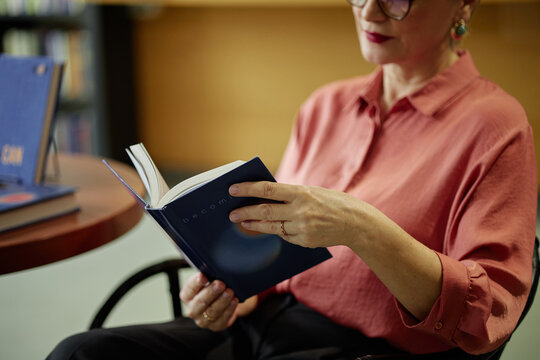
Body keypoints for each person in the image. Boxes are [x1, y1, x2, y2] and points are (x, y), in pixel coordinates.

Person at [47, 0, 537, 359]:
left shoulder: (495, 126)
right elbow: (282, 255)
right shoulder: (326, 106)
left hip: (367, 350)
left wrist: (361, 226)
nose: (369, 12)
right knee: (80, 354)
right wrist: (234, 293)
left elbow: (486, 314)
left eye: (398, 0)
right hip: (262, 324)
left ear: (462, 6)